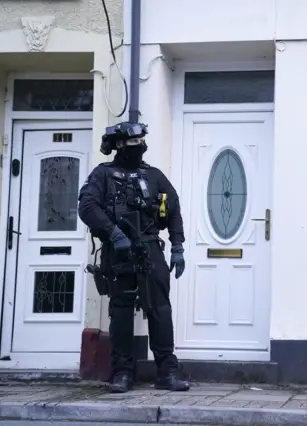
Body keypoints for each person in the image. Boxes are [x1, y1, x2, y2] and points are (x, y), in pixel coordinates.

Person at [78, 121, 190, 393]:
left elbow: (173, 208)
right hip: (119, 250)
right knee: (122, 311)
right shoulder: (103, 175)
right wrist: (113, 232)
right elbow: (87, 206)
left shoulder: (153, 176)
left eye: (141, 144)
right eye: (133, 144)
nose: (139, 149)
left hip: (150, 248)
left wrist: (177, 247)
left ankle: (167, 372)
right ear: (118, 146)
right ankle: (122, 373)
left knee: (160, 309)